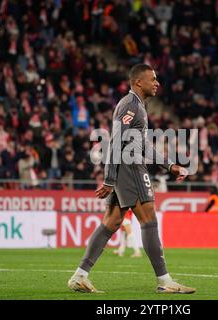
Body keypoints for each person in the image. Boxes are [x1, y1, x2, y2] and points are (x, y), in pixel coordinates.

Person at [68, 64, 195, 294]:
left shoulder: (138, 106)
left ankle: (80, 276)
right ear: (138, 82)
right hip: (130, 167)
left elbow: (143, 144)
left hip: (125, 167)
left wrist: (169, 165)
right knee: (149, 220)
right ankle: (165, 281)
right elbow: (116, 141)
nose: (157, 83)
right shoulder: (130, 105)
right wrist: (109, 179)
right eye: (153, 79)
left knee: (112, 222)